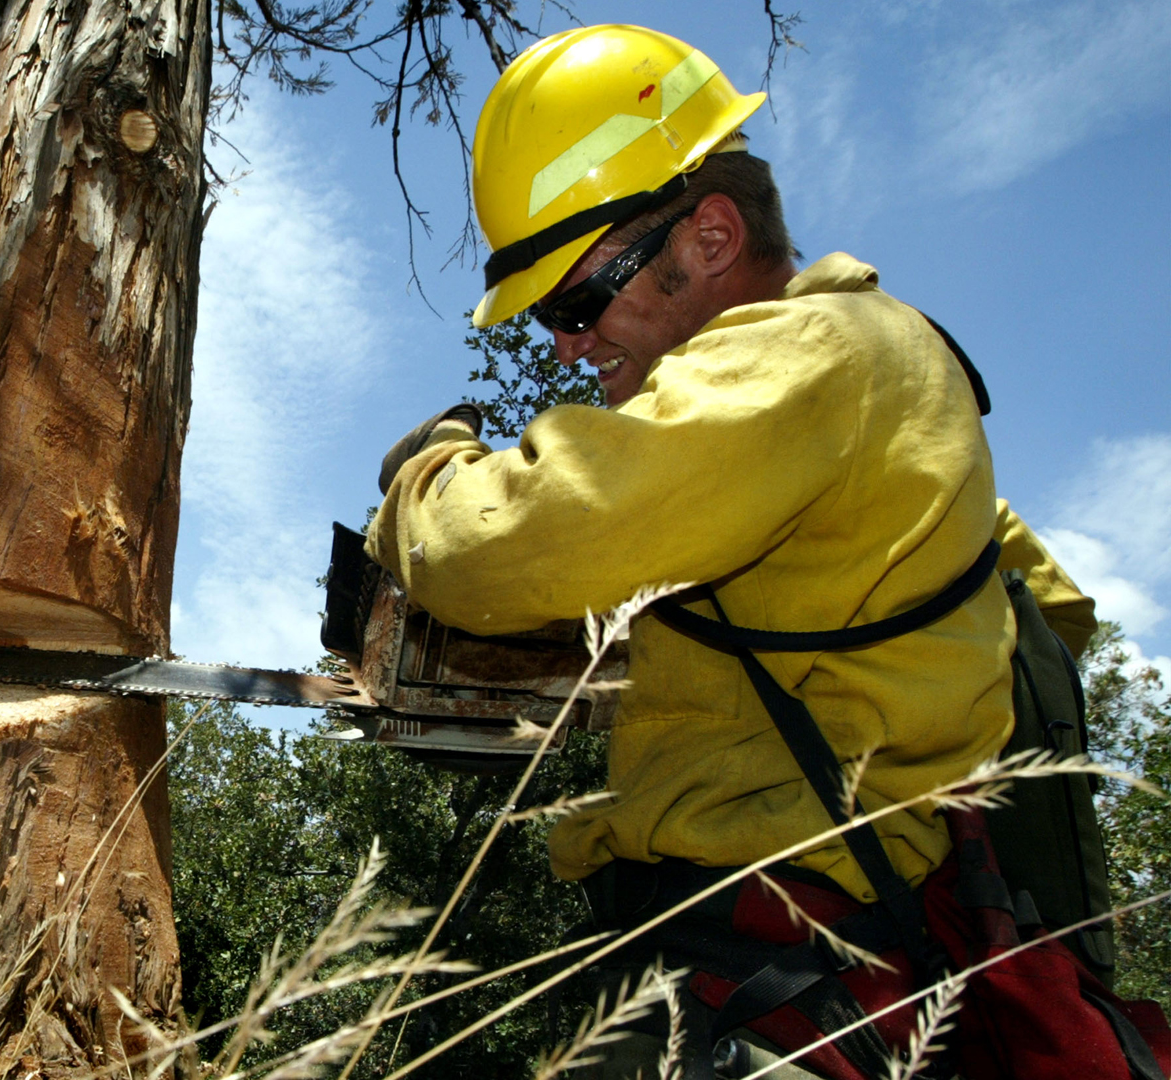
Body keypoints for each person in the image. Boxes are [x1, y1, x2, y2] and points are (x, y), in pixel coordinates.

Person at [366, 24, 1106, 1080]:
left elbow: (490, 545)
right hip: (810, 965)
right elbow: (1045, 606)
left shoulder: (814, 354)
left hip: (779, 976)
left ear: (710, 238)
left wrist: (424, 475)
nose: (567, 346)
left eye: (576, 301)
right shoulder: (860, 395)